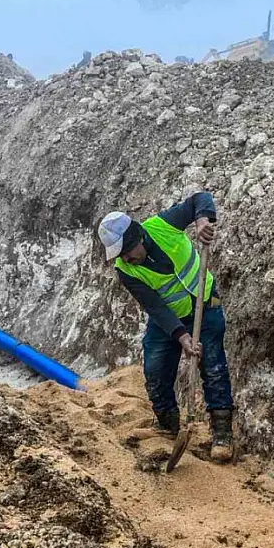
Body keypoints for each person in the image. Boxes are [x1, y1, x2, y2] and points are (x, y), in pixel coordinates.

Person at [97, 193, 234, 463]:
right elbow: (155, 306)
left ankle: (222, 434)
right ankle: (168, 423)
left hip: (204, 307)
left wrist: (203, 220)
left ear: (137, 238)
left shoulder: (163, 226)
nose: (125, 258)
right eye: (120, 255)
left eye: (126, 252)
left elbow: (199, 199)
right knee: (155, 368)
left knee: (213, 366)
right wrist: (181, 336)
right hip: (168, 320)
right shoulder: (126, 270)